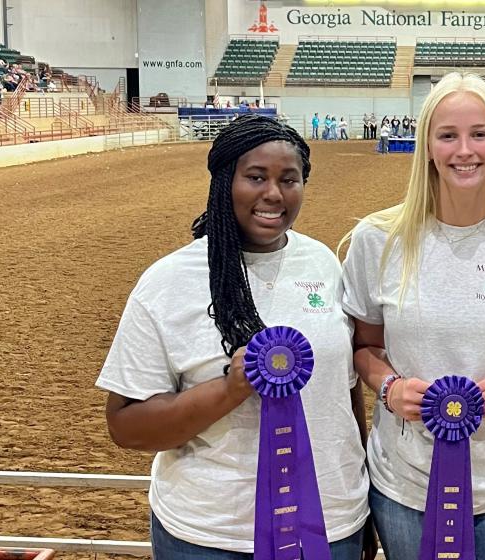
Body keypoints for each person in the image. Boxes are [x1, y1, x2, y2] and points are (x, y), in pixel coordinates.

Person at [96, 114, 374, 560]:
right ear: (225, 181)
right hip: (211, 537)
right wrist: (229, 389)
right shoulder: (168, 282)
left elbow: (346, 391)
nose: (273, 194)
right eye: (256, 177)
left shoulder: (323, 263)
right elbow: (125, 425)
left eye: (290, 179)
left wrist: (364, 501)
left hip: (331, 523)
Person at [340, 72, 485, 560]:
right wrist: (388, 387)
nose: (464, 150)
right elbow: (364, 348)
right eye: (448, 135)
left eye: (479, 134)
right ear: (427, 144)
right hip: (405, 486)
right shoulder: (375, 241)